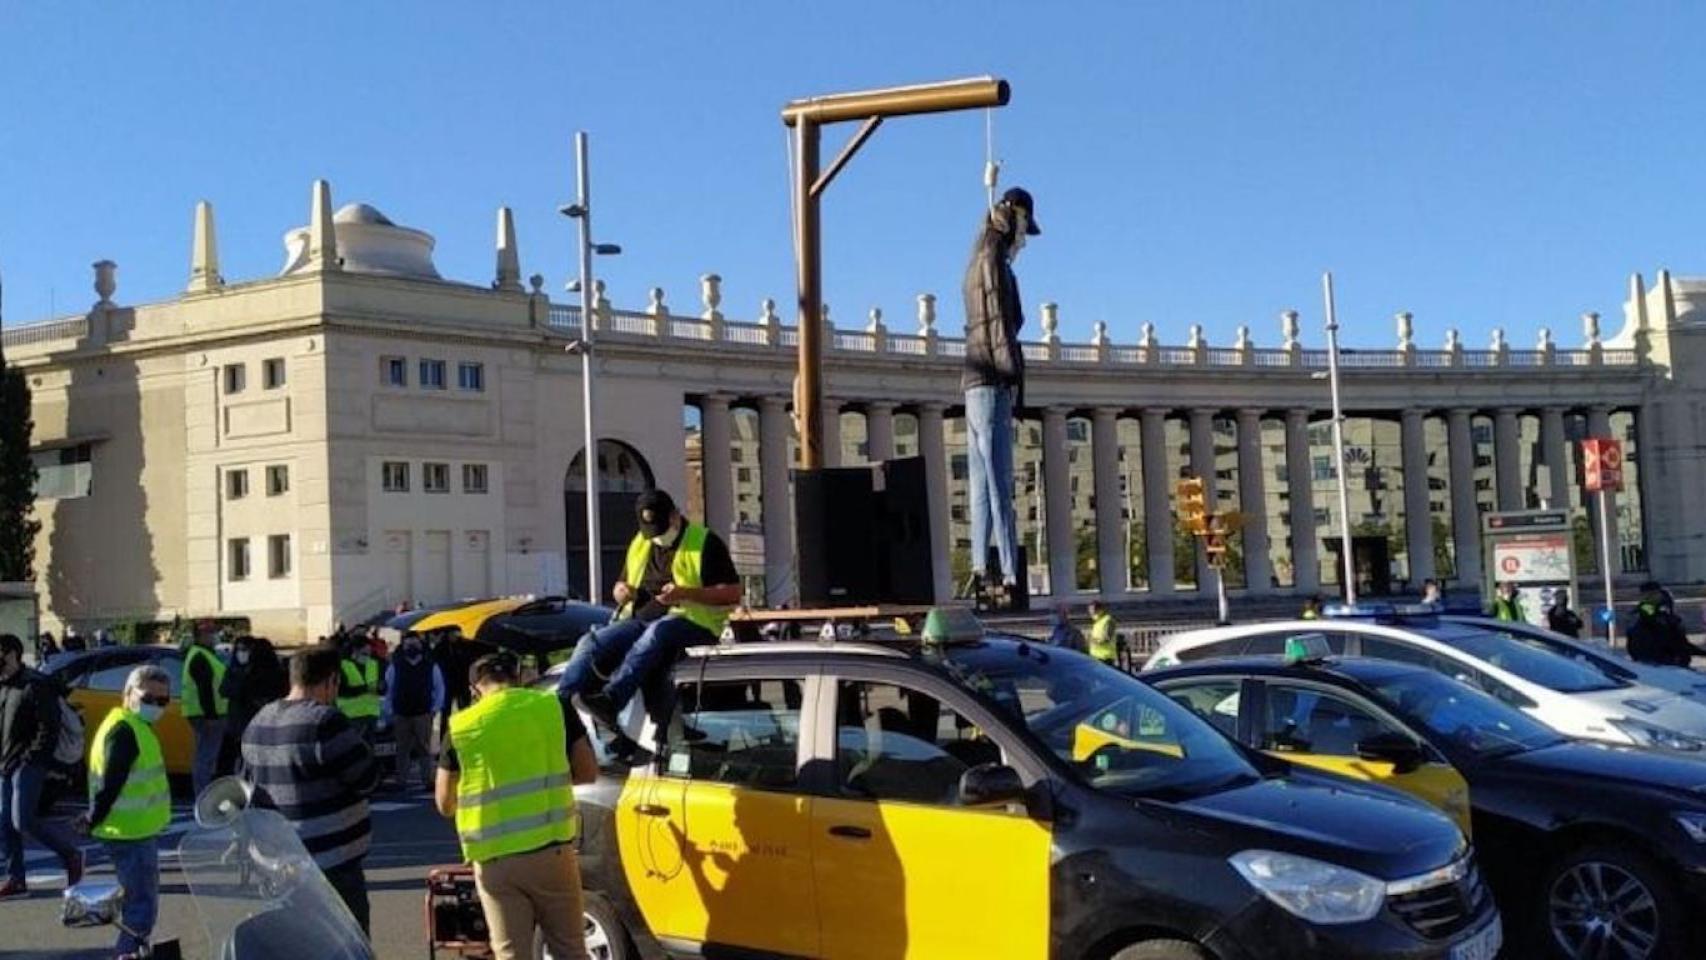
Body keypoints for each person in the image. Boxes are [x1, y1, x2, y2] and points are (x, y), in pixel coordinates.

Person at [436, 652, 597, 960]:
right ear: (520, 678)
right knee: (571, 949)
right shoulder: (554, 707)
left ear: (474, 691)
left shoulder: (461, 727)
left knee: (510, 954)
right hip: (553, 852)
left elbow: (444, 803)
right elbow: (588, 771)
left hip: (495, 861)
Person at [557, 490, 741, 736]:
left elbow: (732, 593)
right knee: (592, 641)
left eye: (662, 532)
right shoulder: (641, 542)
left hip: (693, 622)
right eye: (652, 533)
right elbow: (620, 585)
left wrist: (685, 593)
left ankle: (613, 699)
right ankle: (561, 706)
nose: (657, 539)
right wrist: (622, 592)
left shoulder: (704, 542)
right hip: (640, 618)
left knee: (658, 632)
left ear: (675, 517)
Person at [241, 645, 379, 933]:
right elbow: (367, 778)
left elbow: (246, 784)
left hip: (280, 861)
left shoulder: (259, 721)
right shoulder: (324, 721)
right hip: (331, 861)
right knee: (347, 946)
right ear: (331, 681)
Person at [960, 187, 1039, 606]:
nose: (1026, 240)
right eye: (1026, 227)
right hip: (992, 381)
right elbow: (998, 325)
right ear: (1017, 218)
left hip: (974, 382)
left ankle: (978, 565)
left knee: (981, 484)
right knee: (998, 483)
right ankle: (1008, 572)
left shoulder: (976, 259)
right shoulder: (995, 262)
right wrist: (1012, 377)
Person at [79, 665, 171, 958]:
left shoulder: (131, 725)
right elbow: (111, 782)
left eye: (163, 701)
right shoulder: (125, 731)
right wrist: (93, 817)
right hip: (129, 832)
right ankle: (126, 954)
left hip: (134, 829)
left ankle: (129, 953)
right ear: (128, 694)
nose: (156, 706)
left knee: (137, 905)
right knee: (140, 910)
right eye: (149, 698)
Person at [0, 633, 84, 898]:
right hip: (5, 763)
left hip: (28, 764)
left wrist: (31, 758)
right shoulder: (3, 685)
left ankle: (70, 855)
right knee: (4, 823)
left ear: (12, 653)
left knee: (22, 820)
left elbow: (49, 726)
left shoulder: (35, 684)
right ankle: (16, 879)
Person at [383, 632, 445, 790]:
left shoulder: (431, 666)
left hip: (423, 712)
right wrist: (389, 709)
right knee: (402, 748)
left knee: (424, 748)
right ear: (403, 646)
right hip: (401, 713)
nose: (411, 647)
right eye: (408, 644)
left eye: (415, 644)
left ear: (421, 646)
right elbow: (389, 689)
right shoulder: (395, 666)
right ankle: (401, 780)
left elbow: (439, 688)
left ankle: (428, 779)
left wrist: (435, 709)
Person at [181, 627, 229, 797]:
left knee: (207, 757)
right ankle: (203, 797)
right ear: (200, 636)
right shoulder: (200, 656)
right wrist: (211, 716)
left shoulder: (203, 654)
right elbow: (205, 689)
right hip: (206, 715)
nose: (213, 636)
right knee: (205, 758)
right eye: (210, 633)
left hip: (204, 714)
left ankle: (206, 795)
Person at [222, 636, 287, 744]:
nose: (241, 653)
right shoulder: (234, 670)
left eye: (245, 650)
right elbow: (225, 690)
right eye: (239, 649)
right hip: (244, 723)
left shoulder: (259, 673)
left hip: (249, 723)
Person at [1627, 581, 1706, 667]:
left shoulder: (1667, 615)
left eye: (1653, 594)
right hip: (1659, 665)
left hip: (1673, 664)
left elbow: (1679, 642)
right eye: (1647, 596)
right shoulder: (1644, 616)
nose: (1650, 598)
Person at [337, 639, 383, 743]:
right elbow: (341, 691)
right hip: (352, 715)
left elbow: (381, 685)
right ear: (355, 651)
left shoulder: (373, 664)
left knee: (370, 749)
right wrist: (365, 689)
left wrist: (381, 688)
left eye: (369, 653)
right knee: (353, 749)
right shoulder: (343, 665)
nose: (367, 656)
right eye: (364, 653)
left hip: (371, 714)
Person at [1087, 601, 1118, 666]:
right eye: (1090, 611)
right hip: (1095, 656)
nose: (1092, 613)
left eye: (1094, 611)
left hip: (1105, 657)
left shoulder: (1107, 620)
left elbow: (1107, 638)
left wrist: (1094, 641)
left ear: (1100, 610)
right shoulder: (1097, 622)